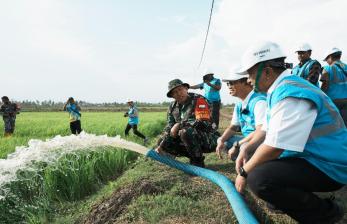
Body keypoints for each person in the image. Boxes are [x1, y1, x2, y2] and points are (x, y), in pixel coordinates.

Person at [234, 41, 346, 223]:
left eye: (250, 74)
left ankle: (328, 214)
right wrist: (247, 148)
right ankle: (286, 199)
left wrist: (244, 172)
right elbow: (267, 131)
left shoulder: (291, 93)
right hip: (315, 157)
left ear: (268, 72)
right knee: (256, 158)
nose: (248, 80)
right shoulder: (280, 89)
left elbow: (274, 147)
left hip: (331, 165)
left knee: (259, 179)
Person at [155, 79, 220, 167]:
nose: (178, 93)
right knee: (162, 140)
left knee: (185, 131)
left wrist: (179, 124)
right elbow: (170, 126)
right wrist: (162, 145)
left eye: (180, 89)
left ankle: (197, 162)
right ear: (172, 96)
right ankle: (174, 155)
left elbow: (203, 123)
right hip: (189, 139)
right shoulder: (172, 106)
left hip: (209, 138)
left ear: (186, 88)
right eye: (175, 92)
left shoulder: (199, 100)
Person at [215, 74, 266, 161]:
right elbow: (233, 127)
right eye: (228, 84)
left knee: (243, 146)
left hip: (260, 140)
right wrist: (221, 140)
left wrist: (237, 145)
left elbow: (261, 131)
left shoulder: (259, 102)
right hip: (247, 138)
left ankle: (251, 159)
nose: (229, 86)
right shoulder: (239, 104)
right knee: (225, 140)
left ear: (246, 82)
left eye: (232, 83)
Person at [320, 47, 347, 126]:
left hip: (333, 102)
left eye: (327, 60)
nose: (327, 62)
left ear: (330, 57)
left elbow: (325, 85)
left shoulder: (327, 68)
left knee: (334, 126)